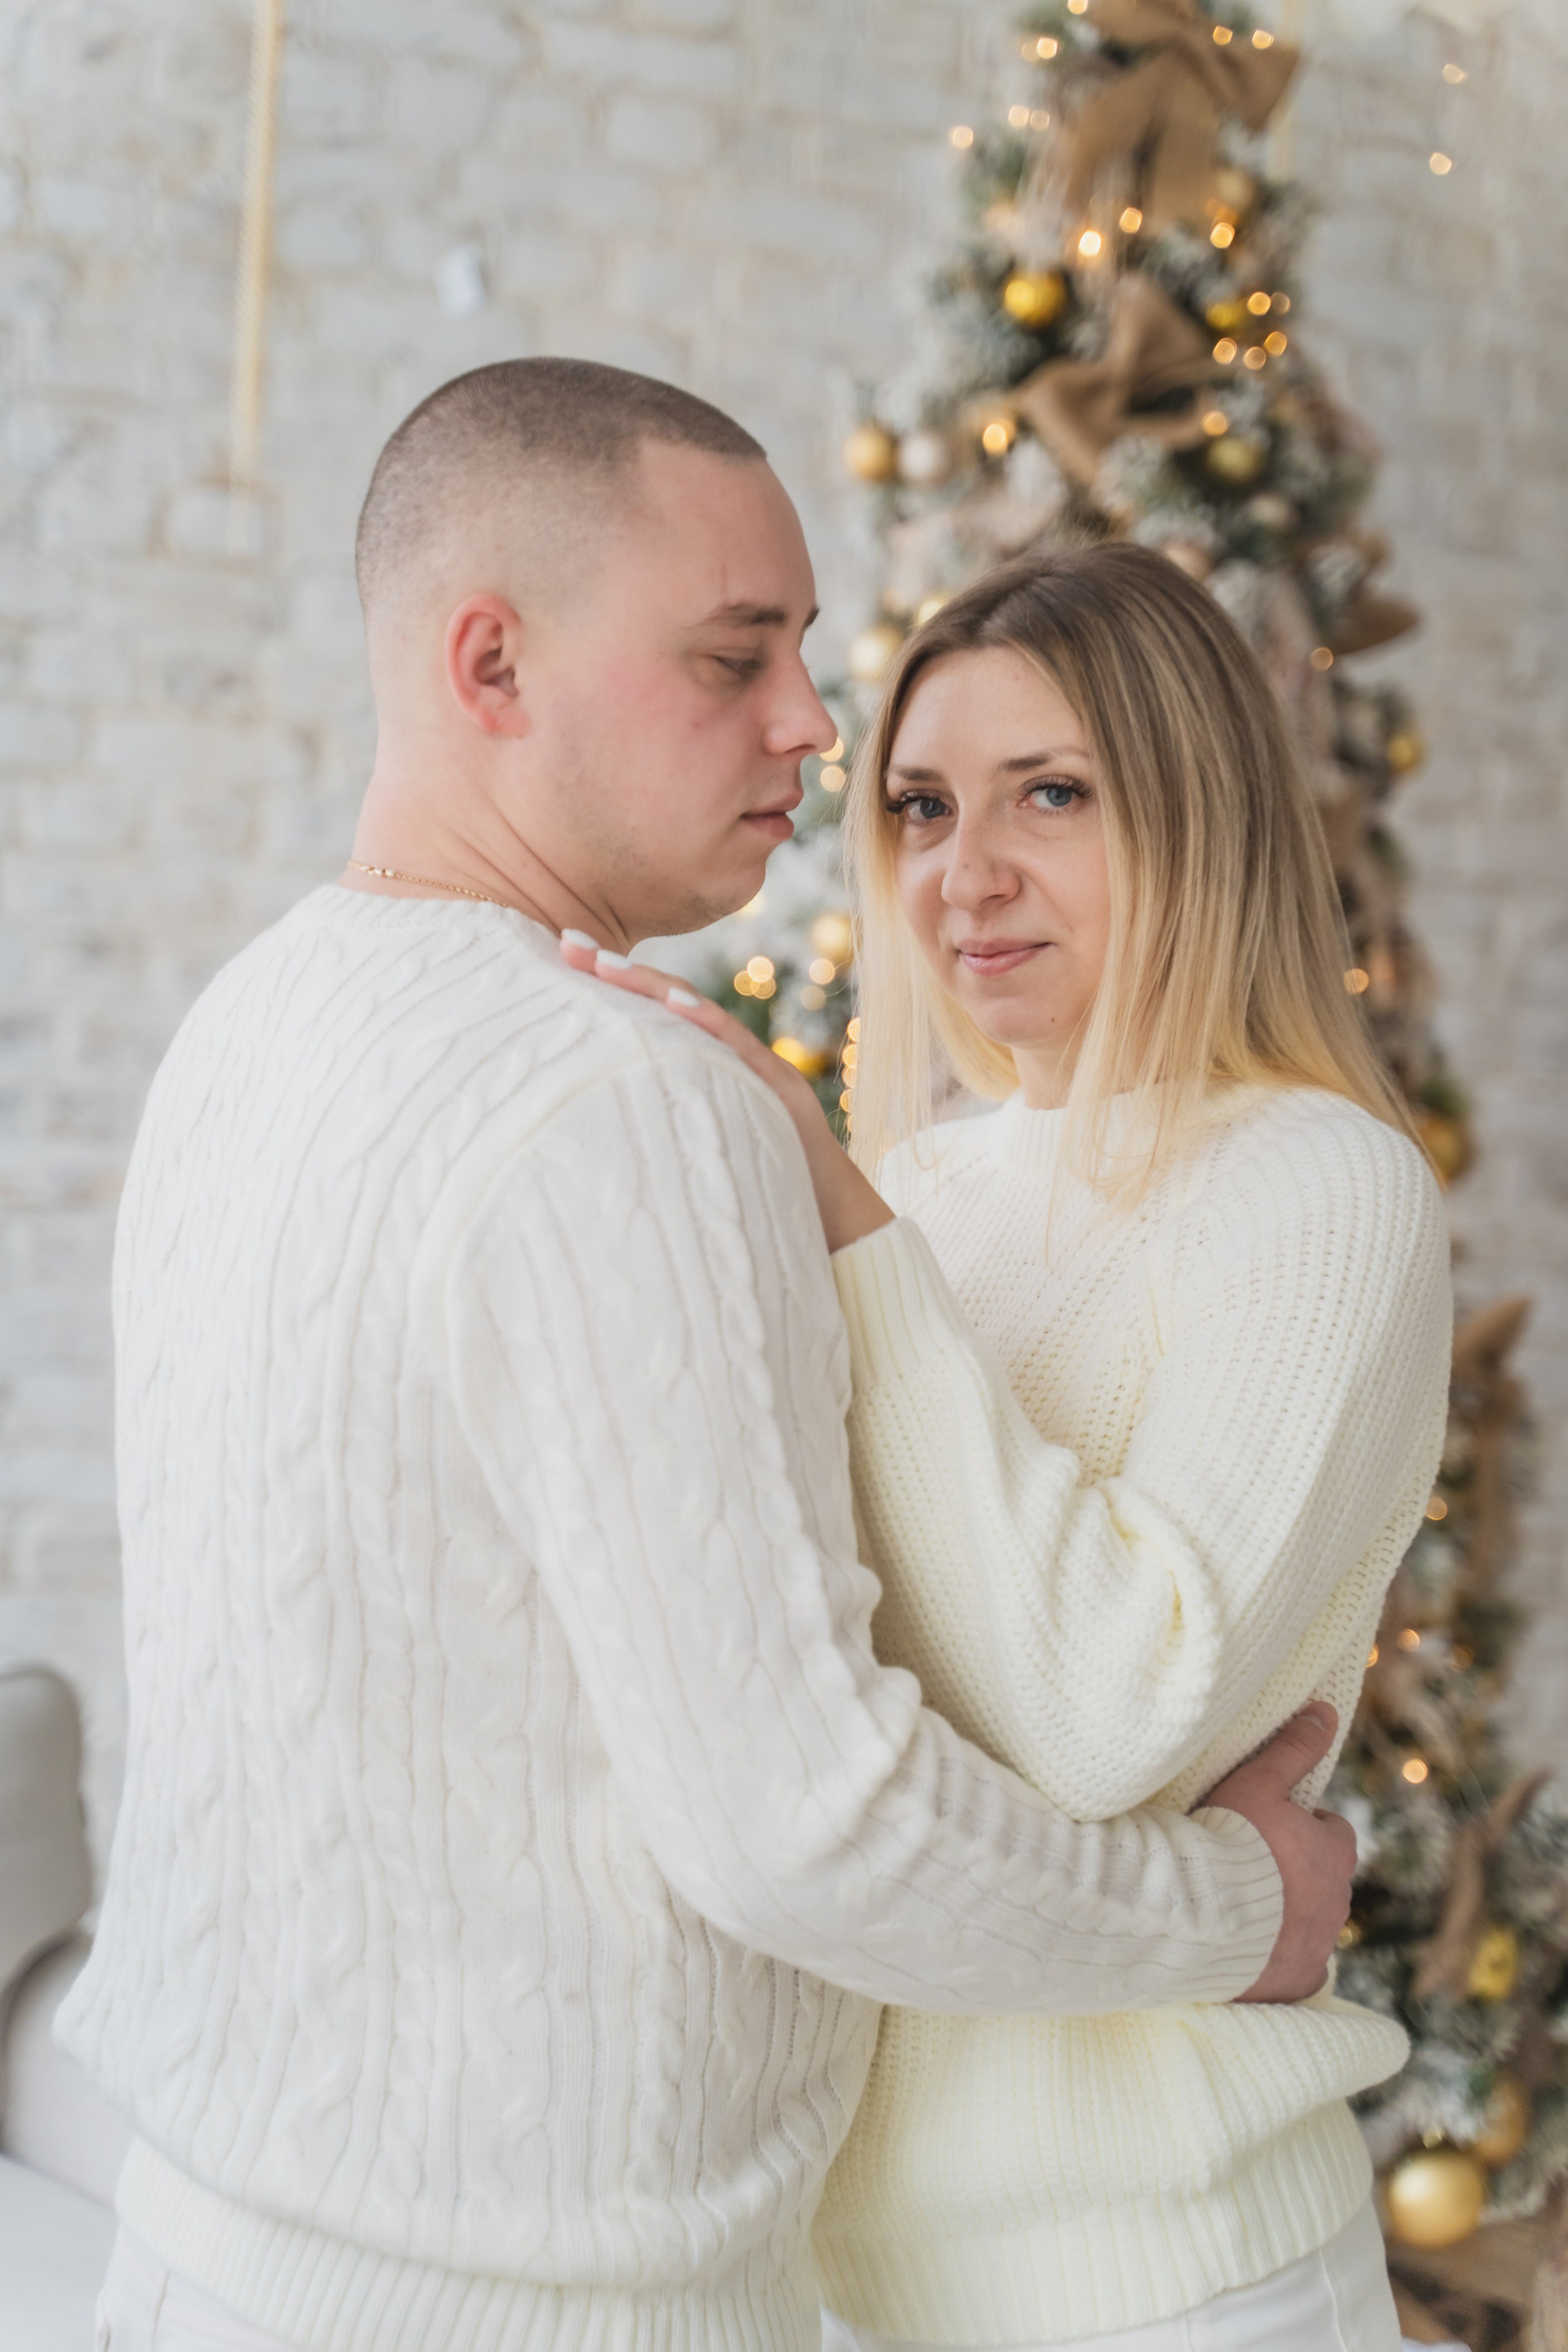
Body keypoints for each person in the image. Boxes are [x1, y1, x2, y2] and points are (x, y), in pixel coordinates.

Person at [62, 364, 1355, 2352]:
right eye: (733, 656)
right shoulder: (624, 1101)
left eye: (804, 654)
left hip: (194, 2258)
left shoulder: (247, 1022)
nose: (813, 725)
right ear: (491, 663)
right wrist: (1244, 1910)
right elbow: (808, 1824)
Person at [580, 546, 1452, 2352]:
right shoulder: (923, 1191)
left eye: (1050, 793)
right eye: (920, 806)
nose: (963, 873)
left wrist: (848, 1226)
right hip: (845, 2278)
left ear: (1197, 817)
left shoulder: (1321, 1187)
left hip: (1180, 2276)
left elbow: (1099, 1719)